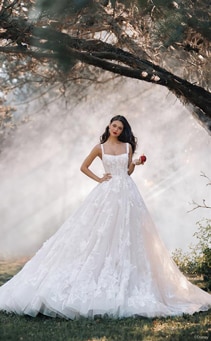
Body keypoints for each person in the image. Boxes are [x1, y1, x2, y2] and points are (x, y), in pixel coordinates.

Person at [0, 115, 210, 319]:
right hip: (107, 193)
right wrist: (99, 179)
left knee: (129, 235)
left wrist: (134, 164)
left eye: (120, 128)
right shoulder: (99, 148)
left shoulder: (127, 147)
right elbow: (83, 167)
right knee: (97, 234)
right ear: (109, 126)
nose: (116, 130)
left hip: (127, 193)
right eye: (114, 126)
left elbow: (126, 172)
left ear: (123, 130)